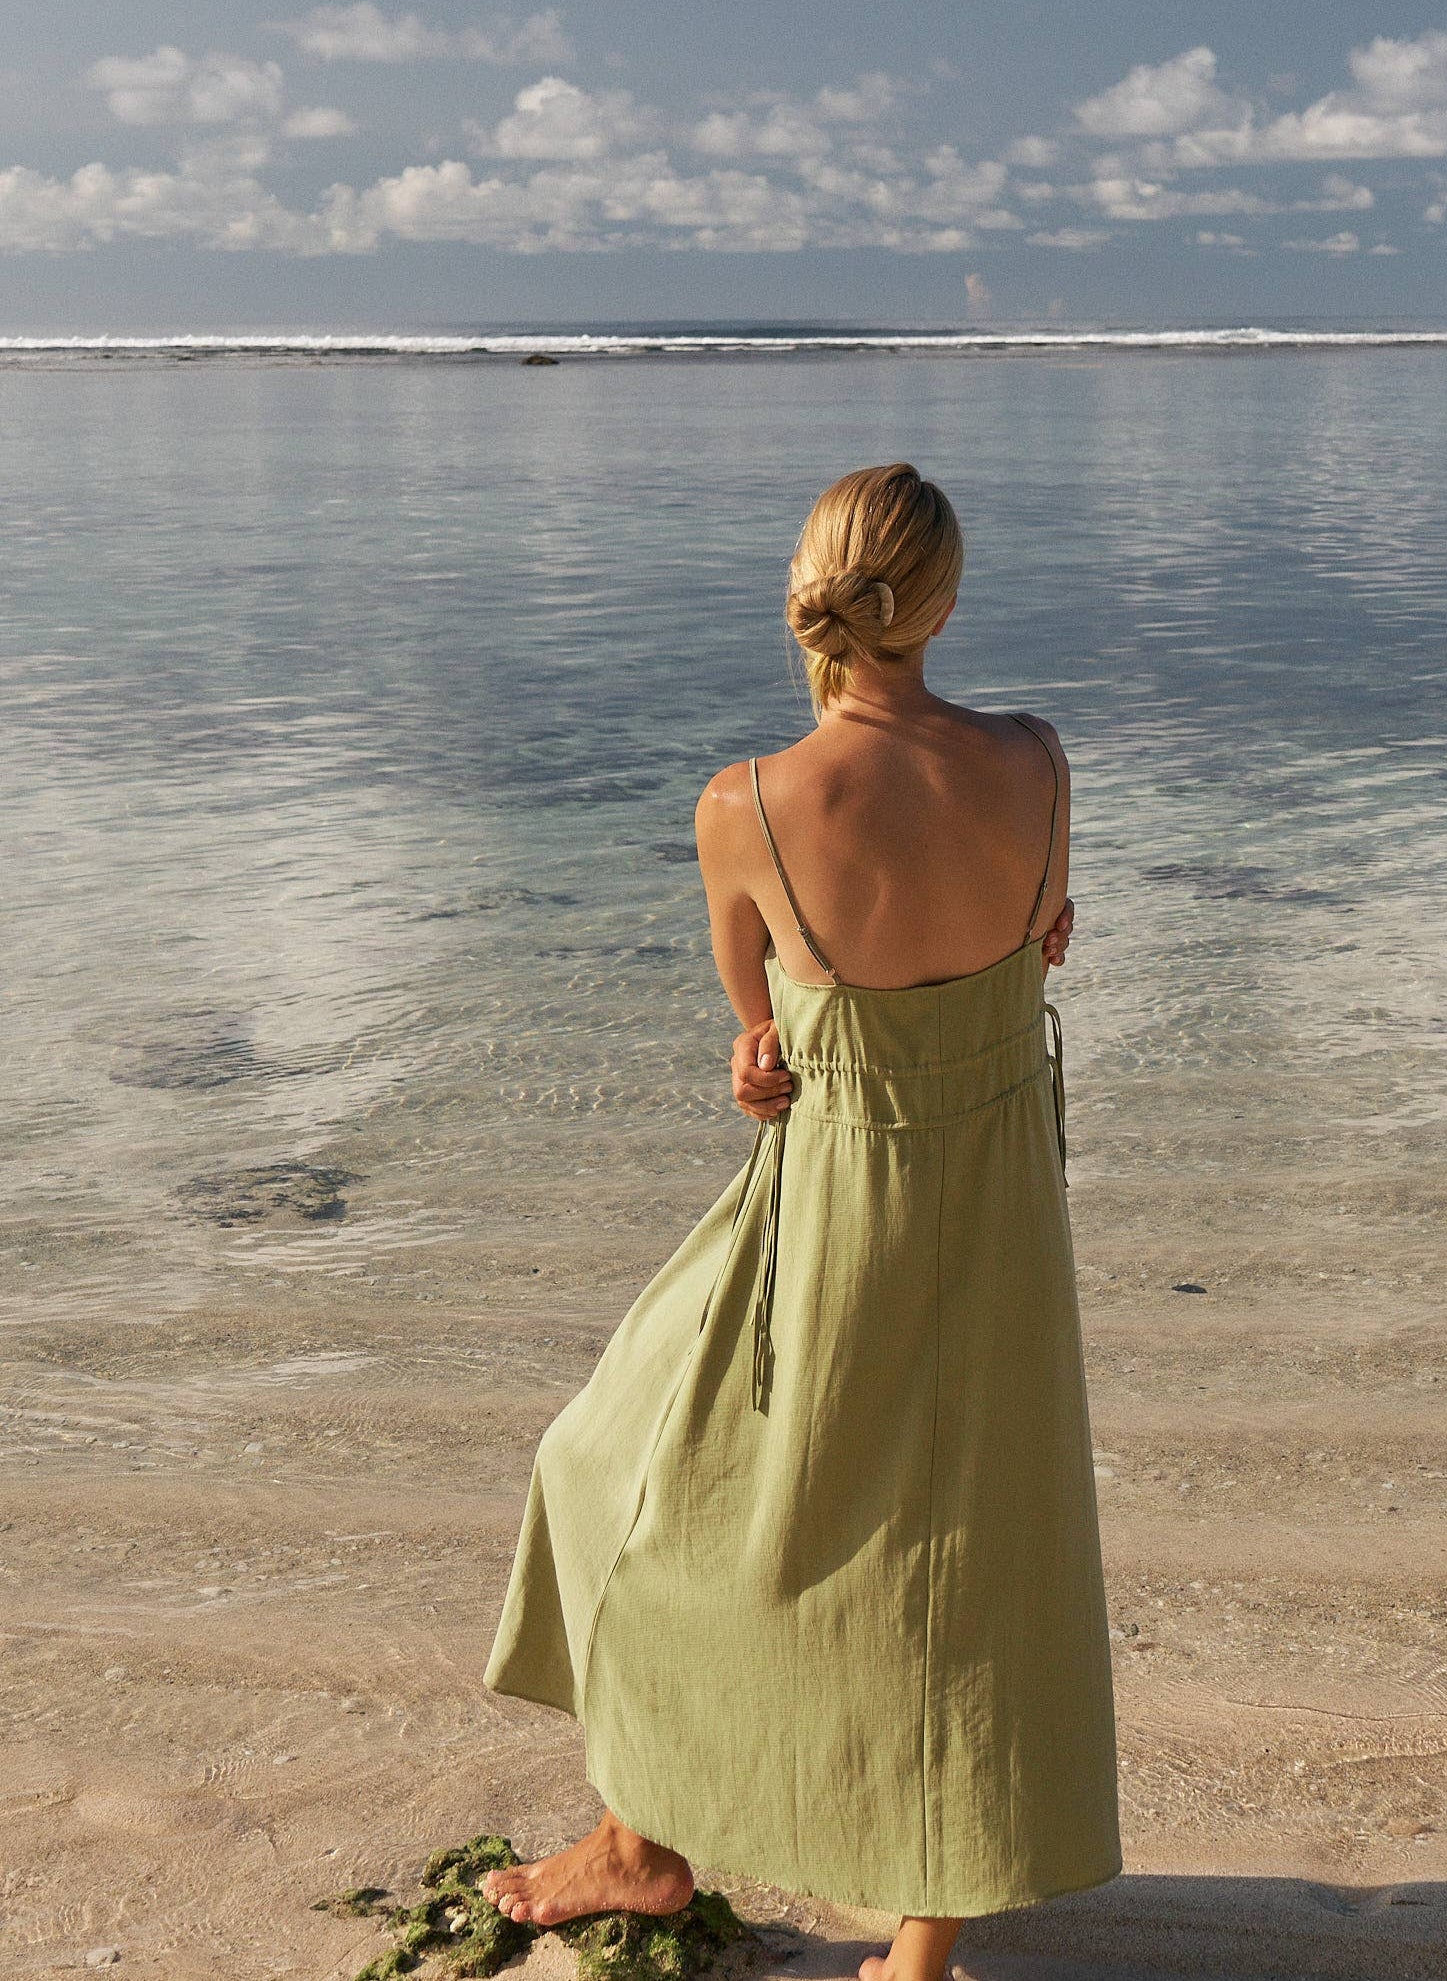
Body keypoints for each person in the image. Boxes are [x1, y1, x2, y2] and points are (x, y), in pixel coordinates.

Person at [480, 461, 1121, 1981]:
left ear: (810, 595)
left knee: (619, 1463)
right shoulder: (1039, 758)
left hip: (844, 1200)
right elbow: (1046, 937)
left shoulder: (746, 805)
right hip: (1005, 1197)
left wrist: (758, 1054)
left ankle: (645, 1843)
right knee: (975, 1537)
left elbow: (760, 1031)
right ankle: (916, 1951)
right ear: (945, 603)